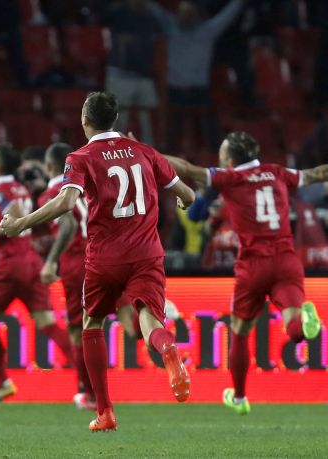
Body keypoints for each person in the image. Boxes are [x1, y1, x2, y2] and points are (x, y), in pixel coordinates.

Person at [0, 92, 195, 431]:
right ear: (114, 119)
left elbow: (66, 203)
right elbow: (188, 195)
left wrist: (20, 224)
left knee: (92, 324)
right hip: (147, 253)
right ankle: (168, 350)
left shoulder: (80, 157)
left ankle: (104, 411)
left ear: (85, 120)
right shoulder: (145, 151)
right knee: (149, 318)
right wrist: (182, 203)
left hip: (104, 256)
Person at [164, 131, 326, 415]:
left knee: (239, 333)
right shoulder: (278, 172)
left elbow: (188, 169)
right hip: (287, 260)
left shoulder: (230, 178)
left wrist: (145, 153)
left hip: (253, 266)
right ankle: (305, 322)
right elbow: (315, 174)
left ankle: (238, 397)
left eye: (222, 154)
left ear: (230, 158)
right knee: (295, 329)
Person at [0, 143, 74, 406]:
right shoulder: (18, 187)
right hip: (31, 261)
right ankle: (86, 380)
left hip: (11, 262)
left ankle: (3, 383)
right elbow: (17, 209)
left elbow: (14, 217)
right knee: (48, 324)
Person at [37, 142, 94, 410]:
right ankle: (157, 312)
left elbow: (68, 224)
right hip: (102, 256)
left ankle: (89, 394)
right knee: (125, 320)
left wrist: (50, 263)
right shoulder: (86, 188)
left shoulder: (51, 193)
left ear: (49, 166)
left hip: (76, 264)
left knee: (78, 330)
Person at [147, 0, 244, 152]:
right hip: (176, 91)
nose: (186, 16)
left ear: (196, 15)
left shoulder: (207, 31)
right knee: (172, 137)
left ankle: (216, 166)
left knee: (211, 135)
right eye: (183, 13)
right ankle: (169, 167)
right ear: (178, 14)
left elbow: (228, 14)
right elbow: (154, 9)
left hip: (199, 92)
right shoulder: (171, 27)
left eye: (189, 13)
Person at [103, 0, 162, 145]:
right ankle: (112, 156)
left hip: (144, 75)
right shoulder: (117, 13)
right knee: (117, 121)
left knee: (148, 121)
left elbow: (161, 32)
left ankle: (150, 157)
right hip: (120, 75)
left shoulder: (151, 15)